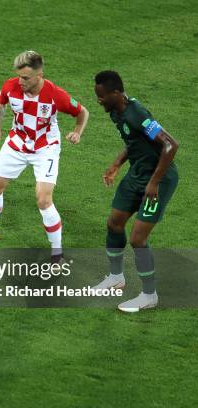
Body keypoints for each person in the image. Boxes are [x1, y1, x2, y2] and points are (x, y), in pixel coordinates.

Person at [0, 51, 89, 262]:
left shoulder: (55, 94)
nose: (20, 82)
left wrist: (77, 132)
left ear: (39, 74)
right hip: (17, 142)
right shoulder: (10, 86)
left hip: (46, 147)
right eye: (18, 76)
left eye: (25, 78)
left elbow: (82, 112)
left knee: (43, 199)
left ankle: (57, 253)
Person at [92, 70, 179, 312]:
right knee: (114, 223)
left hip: (158, 182)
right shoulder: (116, 113)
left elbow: (171, 145)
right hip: (137, 175)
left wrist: (154, 182)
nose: (98, 101)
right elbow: (133, 142)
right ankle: (116, 277)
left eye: (102, 97)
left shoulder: (137, 114)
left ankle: (149, 295)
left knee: (138, 239)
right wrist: (116, 164)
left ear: (117, 93)